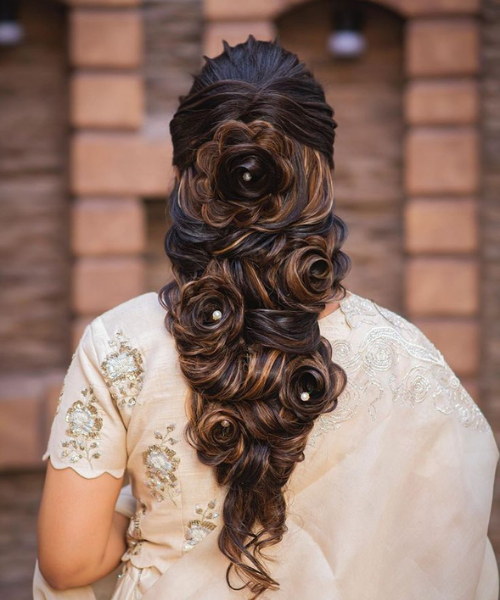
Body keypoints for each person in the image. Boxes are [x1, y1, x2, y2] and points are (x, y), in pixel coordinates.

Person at [34, 36, 499, 600]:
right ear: (318, 180)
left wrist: (139, 516)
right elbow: (445, 561)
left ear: (189, 180)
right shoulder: (405, 356)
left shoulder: (119, 345)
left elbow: (69, 560)